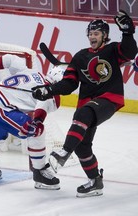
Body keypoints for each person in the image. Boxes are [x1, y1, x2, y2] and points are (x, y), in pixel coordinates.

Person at [32, 10, 138, 197]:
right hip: (88, 105)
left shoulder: (113, 50)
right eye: (90, 34)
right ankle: (95, 181)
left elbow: (130, 51)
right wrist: (49, 90)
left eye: (96, 33)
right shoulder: (80, 57)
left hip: (108, 99)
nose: (92, 37)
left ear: (105, 35)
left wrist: (128, 32)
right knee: (82, 145)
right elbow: (69, 84)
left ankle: (63, 153)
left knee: (83, 114)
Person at [0, 54, 64, 190]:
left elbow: (10, 60)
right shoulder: (53, 96)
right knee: (36, 131)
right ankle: (40, 172)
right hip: (0, 107)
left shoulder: (33, 72)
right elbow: (41, 108)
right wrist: (36, 122)